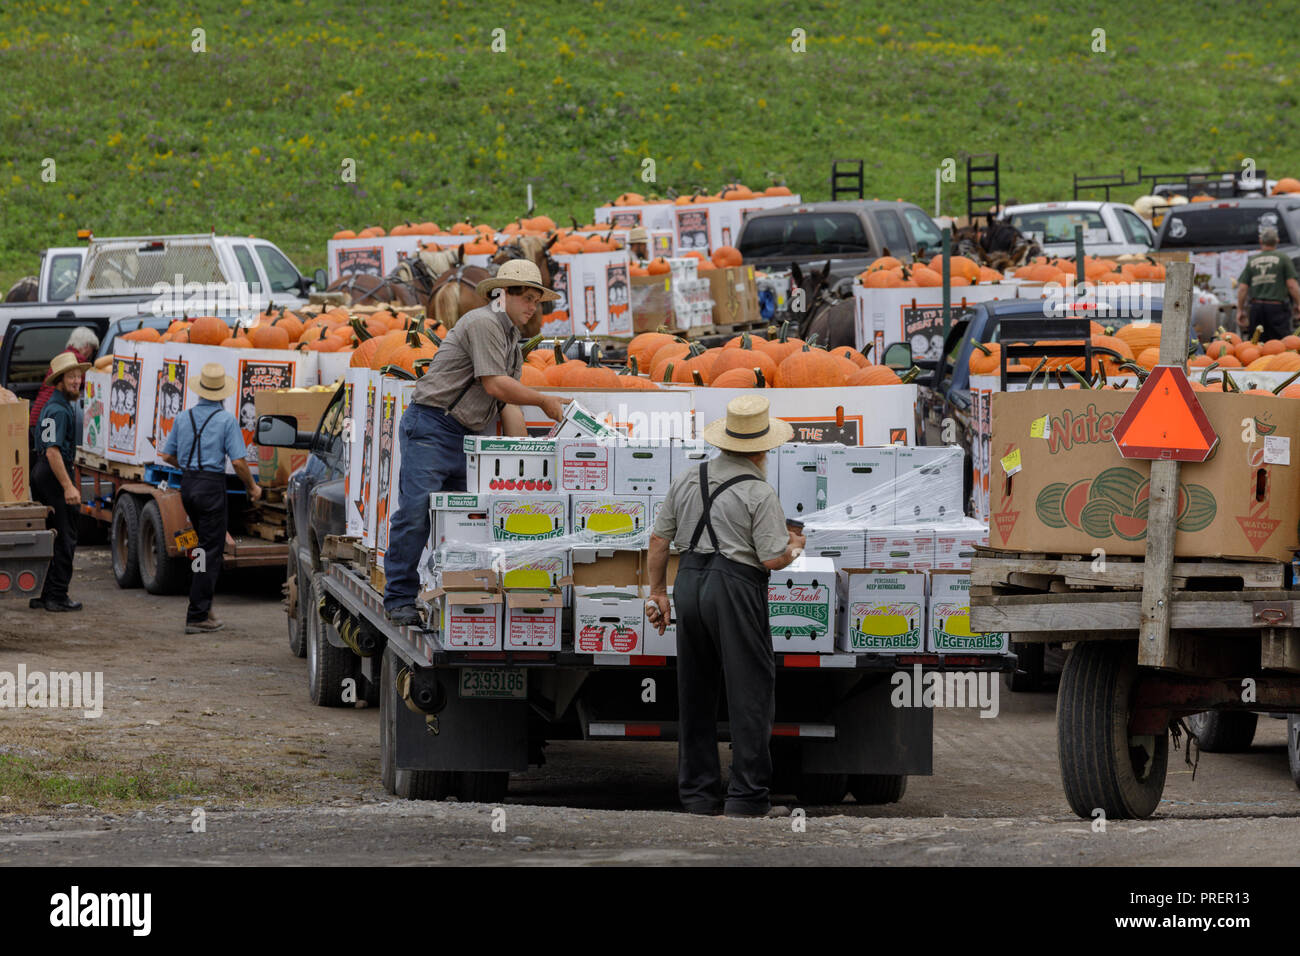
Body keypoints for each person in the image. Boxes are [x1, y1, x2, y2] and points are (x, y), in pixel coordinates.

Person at [383, 259, 573, 627]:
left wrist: (525, 456)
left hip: (469, 435)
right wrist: (545, 401)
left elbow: (505, 402)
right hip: (433, 427)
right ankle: (399, 599)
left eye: (537, 300)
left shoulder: (512, 339)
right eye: (527, 299)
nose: (532, 307)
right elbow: (495, 385)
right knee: (416, 513)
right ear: (503, 295)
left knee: (465, 522)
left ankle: (455, 595)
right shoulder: (485, 322)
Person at [647, 395, 805, 817]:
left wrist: (657, 593)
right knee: (750, 692)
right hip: (734, 586)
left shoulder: (687, 477)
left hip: (689, 583)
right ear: (761, 449)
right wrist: (795, 548)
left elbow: (659, 540)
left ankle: (698, 796)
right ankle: (747, 798)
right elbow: (771, 559)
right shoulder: (758, 491)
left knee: (695, 693)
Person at [159, 363, 262, 634]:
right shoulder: (226, 420)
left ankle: (203, 605)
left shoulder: (183, 418)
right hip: (212, 488)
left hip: (189, 485)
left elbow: (167, 456)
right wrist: (252, 487)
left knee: (201, 548)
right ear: (222, 395)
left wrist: (189, 466)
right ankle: (197, 614)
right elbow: (238, 462)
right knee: (210, 552)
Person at [30, 351, 89, 612]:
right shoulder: (58, 410)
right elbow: (52, 450)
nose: (77, 381)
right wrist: (68, 486)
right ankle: (56, 595)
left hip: (45, 472)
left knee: (53, 535)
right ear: (59, 381)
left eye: (79, 376)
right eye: (71, 377)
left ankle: (46, 593)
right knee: (66, 536)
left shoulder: (56, 405)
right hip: (53, 473)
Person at [1236, 226, 1300, 341]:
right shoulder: (1283, 258)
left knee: (1256, 344)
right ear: (1277, 241)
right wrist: (1298, 303)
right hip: (1277, 309)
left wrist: (1240, 310)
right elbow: (1292, 285)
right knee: (1281, 345)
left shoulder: (1252, 261)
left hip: (1256, 309)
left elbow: (1242, 288)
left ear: (1261, 241)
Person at [30, 326, 99, 428]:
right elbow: (92, 384)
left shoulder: (64, 356)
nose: (90, 354)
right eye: (92, 349)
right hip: (50, 418)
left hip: (38, 414)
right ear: (86, 346)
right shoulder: (76, 360)